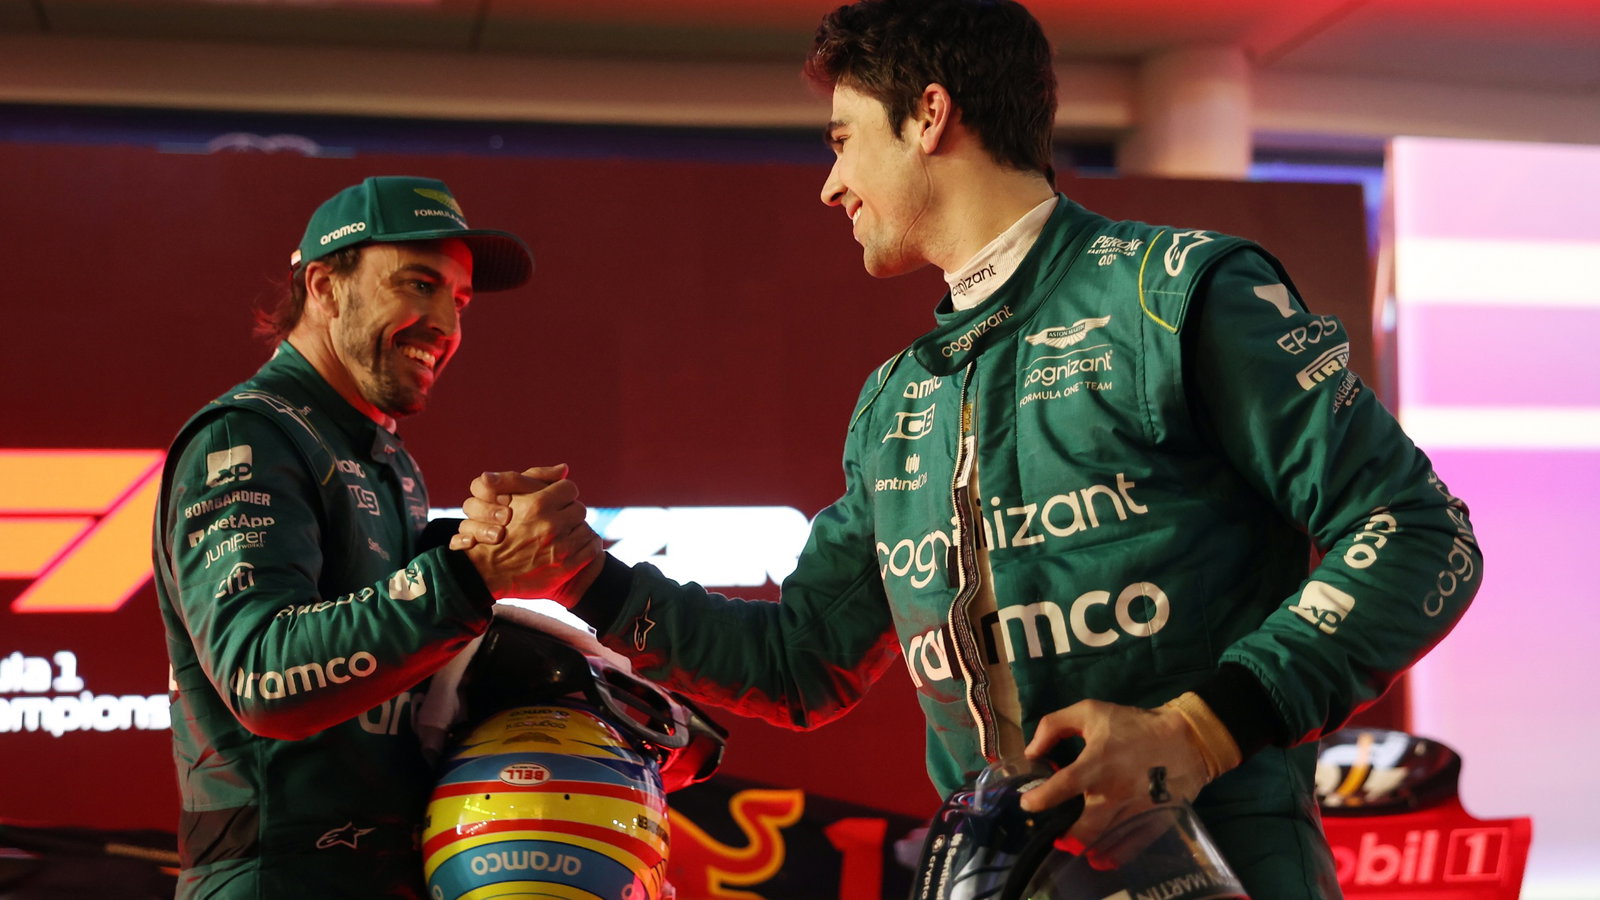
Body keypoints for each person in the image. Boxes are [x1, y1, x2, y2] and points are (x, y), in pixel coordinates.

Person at [457, 0, 1481, 895]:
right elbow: (799, 663)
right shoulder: (897, 399)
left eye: (843, 139)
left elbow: (1418, 533)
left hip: (1220, 867)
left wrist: (1195, 732)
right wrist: (583, 576)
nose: (831, 185)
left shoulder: (1174, 295)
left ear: (930, 116)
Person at [151, 175, 601, 899]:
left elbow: (390, 661)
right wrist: (470, 577)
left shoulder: (381, 456)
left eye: (459, 301)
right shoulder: (247, 436)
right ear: (325, 287)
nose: (445, 324)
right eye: (419, 285)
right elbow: (261, 676)